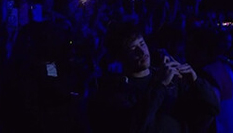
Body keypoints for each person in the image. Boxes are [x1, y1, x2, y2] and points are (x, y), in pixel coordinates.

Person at [89, 22, 220, 133]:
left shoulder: (171, 77)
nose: (142, 52)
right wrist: (159, 86)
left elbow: (212, 108)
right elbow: (133, 126)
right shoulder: (116, 90)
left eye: (142, 43)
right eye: (133, 48)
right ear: (120, 56)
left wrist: (196, 82)